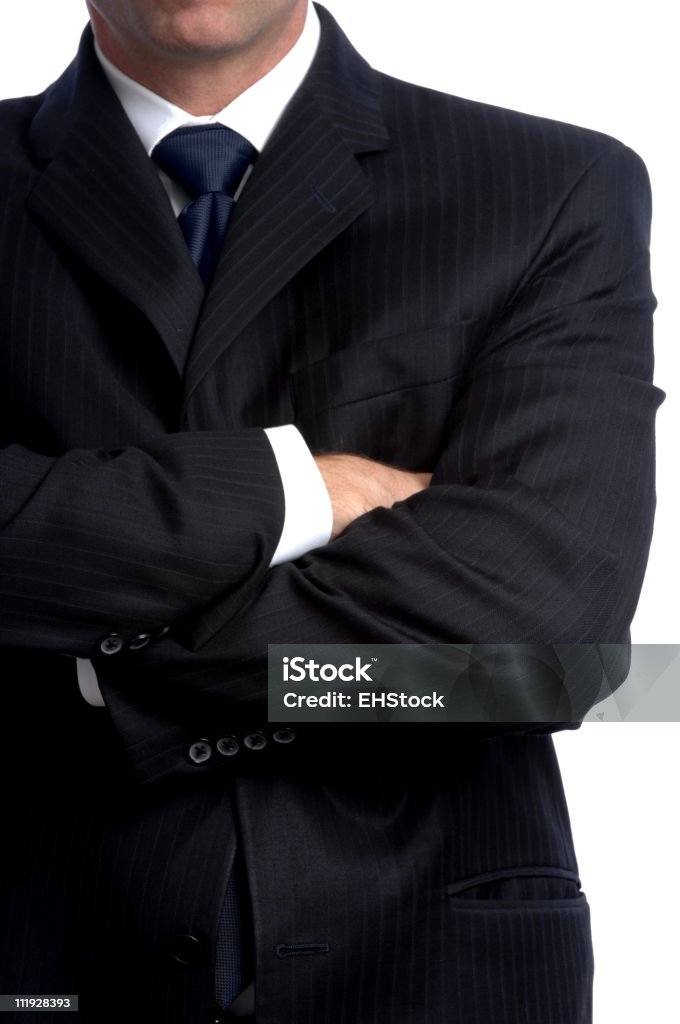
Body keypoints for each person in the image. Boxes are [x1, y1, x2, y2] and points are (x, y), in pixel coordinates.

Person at [0, 1, 662, 1022]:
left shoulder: (549, 185)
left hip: (426, 959)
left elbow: (536, 647)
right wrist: (294, 490)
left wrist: (102, 666)